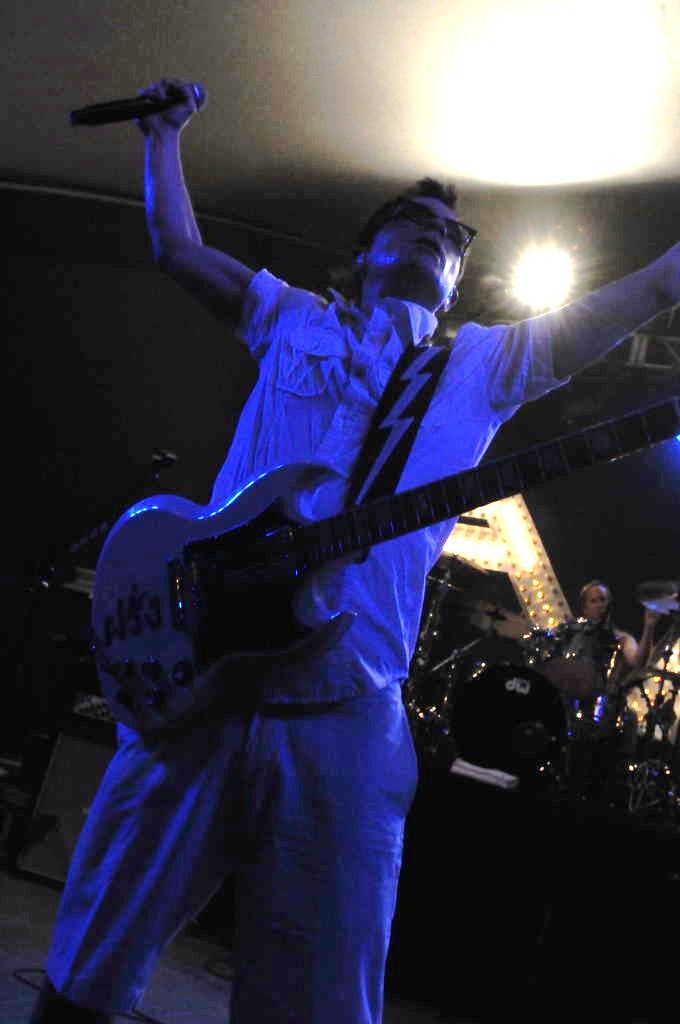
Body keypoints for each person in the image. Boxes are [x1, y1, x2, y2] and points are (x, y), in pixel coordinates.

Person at [29, 76, 680, 1024]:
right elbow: (177, 247)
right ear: (366, 251)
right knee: (88, 965)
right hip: (199, 688)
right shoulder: (290, 316)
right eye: (413, 222)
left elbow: (647, 291)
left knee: (321, 1000)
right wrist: (163, 138)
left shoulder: (481, 364)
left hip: (345, 711)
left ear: (457, 279)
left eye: (452, 238)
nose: (435, 237)